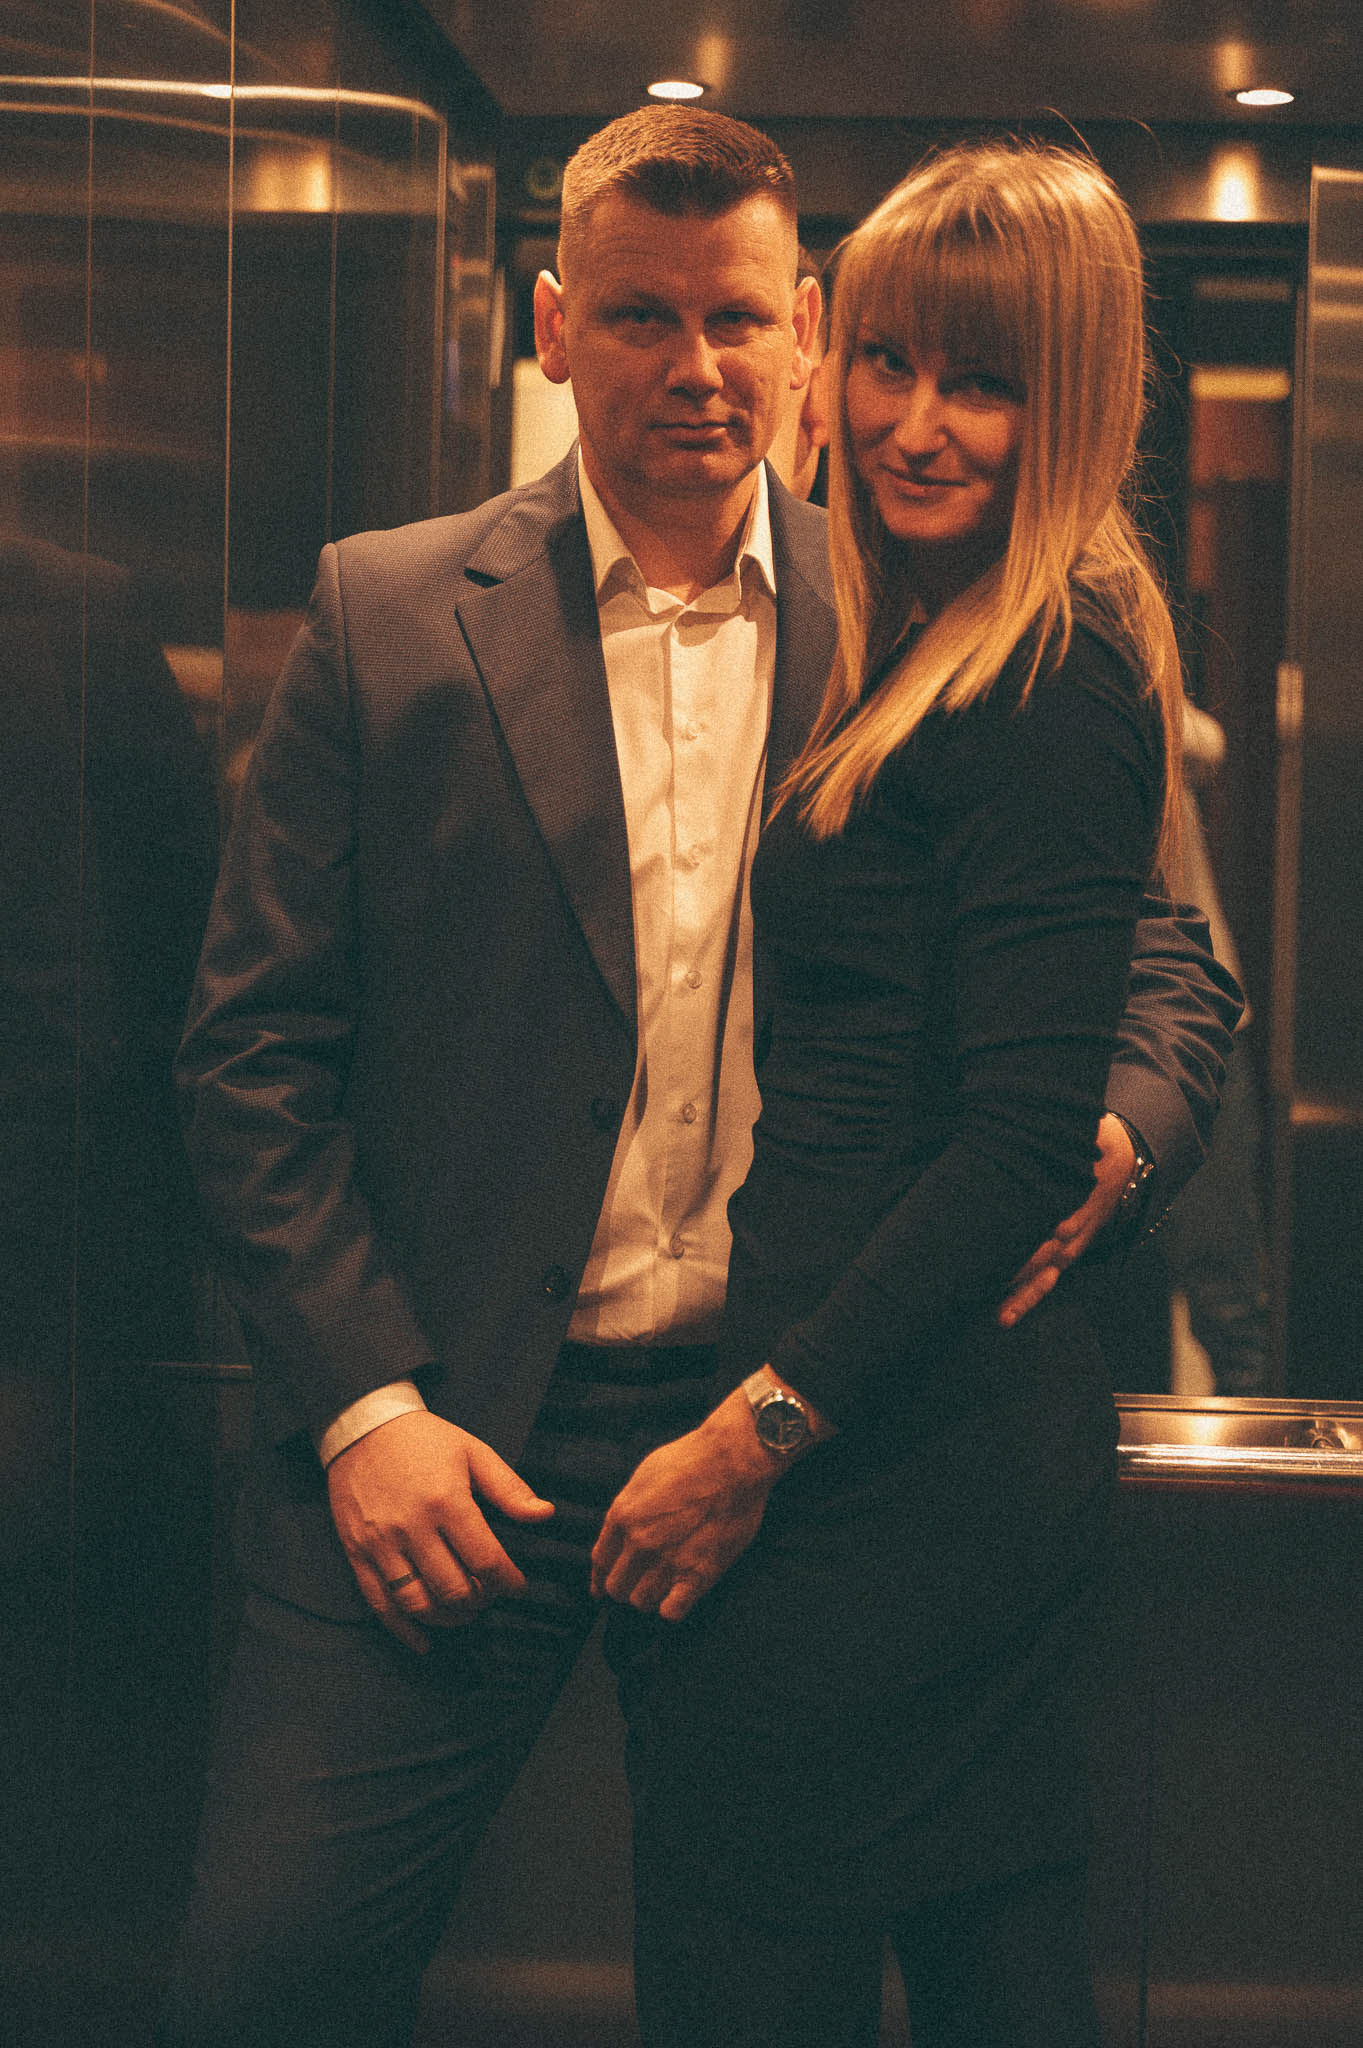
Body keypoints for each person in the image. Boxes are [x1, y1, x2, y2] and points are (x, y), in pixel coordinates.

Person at [164, 109, 1239, 2048]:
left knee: (758, 1975)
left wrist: (1113, 1131)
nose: (697, 364)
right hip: (455, 1434)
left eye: (739, 317)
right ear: (552, 323)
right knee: (268, 1976)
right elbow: (250, 1053)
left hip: (814, 1426)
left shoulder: (919, 593)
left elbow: (1165, 955)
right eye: (640, 316)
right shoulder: (386, 615)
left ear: (803, 326)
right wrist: (365, 1408)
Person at [589, 138, 1203, 2048]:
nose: (915, 424)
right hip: (895, 1432)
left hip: (891, 1456)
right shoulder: (919, 632)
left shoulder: (1054, 665)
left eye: (984, 382)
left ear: (1069, 400)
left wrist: (750, 1436)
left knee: (751, 1960)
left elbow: (1015, 1138)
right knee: (983, 1958)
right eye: (889, 363)